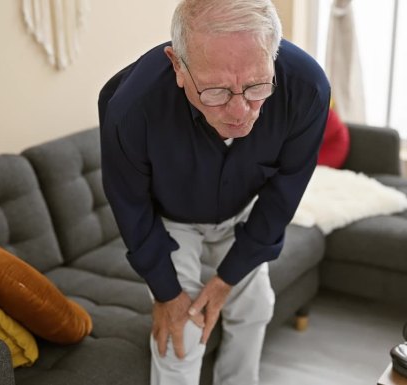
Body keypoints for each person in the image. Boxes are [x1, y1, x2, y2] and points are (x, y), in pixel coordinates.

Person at [98, 1, 330, 384]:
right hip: (170, 218)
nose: (240, 112)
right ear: (177, 66)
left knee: (255, 307)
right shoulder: (130, 108)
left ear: (273, 53)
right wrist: (166, 293)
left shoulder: (307, 89)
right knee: (181, 333)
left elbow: (283, 195)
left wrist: (225, 283)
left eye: (257, 86)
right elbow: (131, 206)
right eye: (217, 91)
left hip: (242, 209)